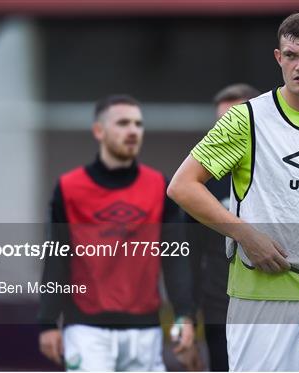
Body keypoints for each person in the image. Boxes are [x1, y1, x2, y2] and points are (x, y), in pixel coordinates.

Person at [168, 11, 299, 371]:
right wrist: (246, 234)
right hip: (261, 301)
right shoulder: (244, 119)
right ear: (278, 58)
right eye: (291, 56)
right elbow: (182, 186)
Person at [37, 94, 195, 371]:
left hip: (145, 331)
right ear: (99, 131)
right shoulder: (69, 188)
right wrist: (48, 322)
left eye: (138, 124)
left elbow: (175, 259)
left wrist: (185, 315)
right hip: (86, 331)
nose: (133, 131)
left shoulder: (161, 187)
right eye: (123, 123)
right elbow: (56, 258)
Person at [186, 84, 260, 371]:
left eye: (235, 122)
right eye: (221, 124)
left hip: (278, 304)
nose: (226, 133)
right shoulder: (198, 182)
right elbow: (188, 255)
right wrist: (187, 319)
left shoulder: (284, 172)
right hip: (221, 308)